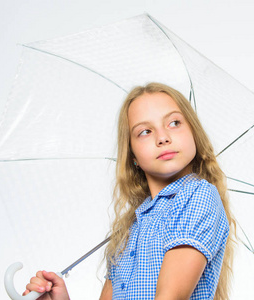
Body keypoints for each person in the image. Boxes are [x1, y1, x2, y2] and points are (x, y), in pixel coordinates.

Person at [23, 83, 236, 300]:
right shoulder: (128, 228)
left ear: (194, 134)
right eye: (145, 131)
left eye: (174, 123)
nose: (162, 138)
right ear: (132, 154)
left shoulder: (198, 196)